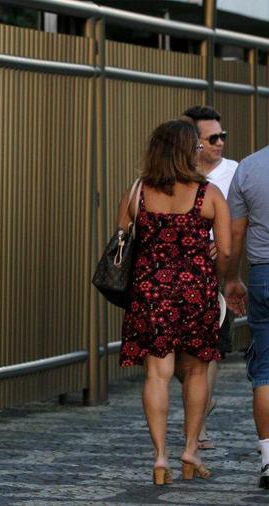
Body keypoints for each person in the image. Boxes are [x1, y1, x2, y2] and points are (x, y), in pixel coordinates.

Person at [117, 119, 230, 485]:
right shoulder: (209, 194)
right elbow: (226, 250)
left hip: (150, 293)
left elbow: (121, 240)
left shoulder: (138, 192)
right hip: (196, 291)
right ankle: (190, 449)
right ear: (188, 151)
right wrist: (214, 269)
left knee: (156, 375)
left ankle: (161, 457)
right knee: (196, 371)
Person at [175, 105, 237, 450]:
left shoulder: (235, 173)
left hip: (212, 273)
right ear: (193, 142)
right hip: (172, 276)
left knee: (208, 350)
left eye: (222, 136)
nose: (219, 143)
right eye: (212, 138)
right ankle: (201, 402)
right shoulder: (173, 175)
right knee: (179, 361)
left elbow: (240, 222)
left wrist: (226, 258)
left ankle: (198, 426)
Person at [224, 141, 269, 489]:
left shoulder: (249, 168)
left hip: (263, 275)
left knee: (266, 369)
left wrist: (231, 277)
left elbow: (235, 232)